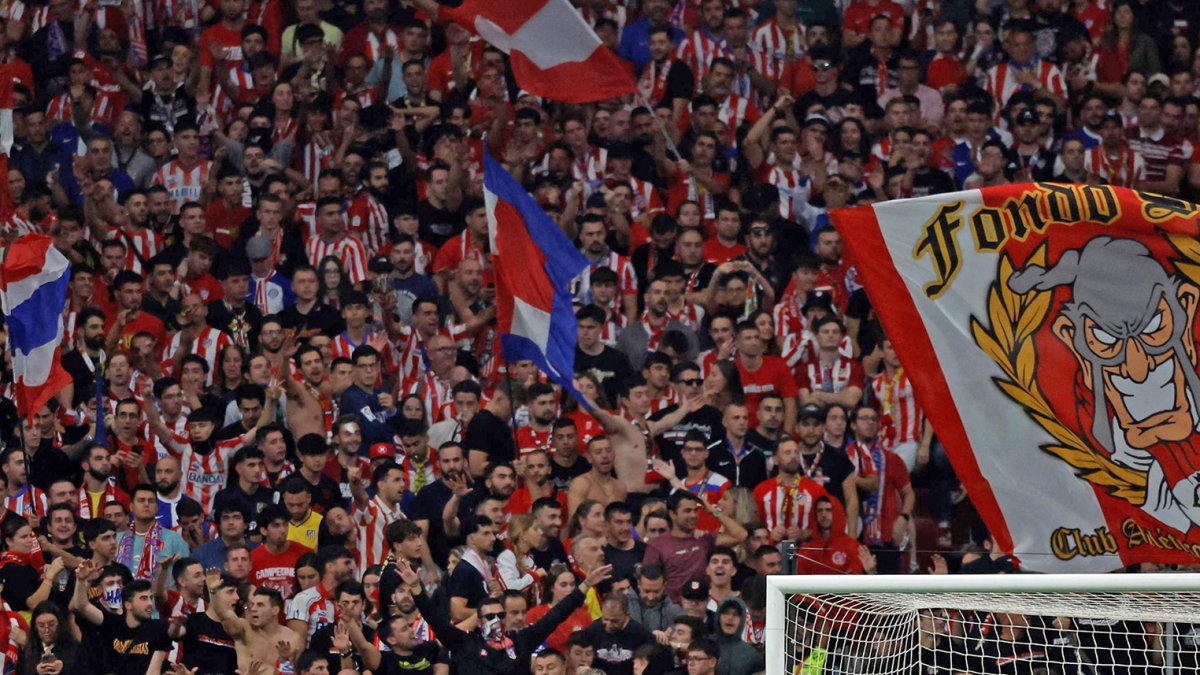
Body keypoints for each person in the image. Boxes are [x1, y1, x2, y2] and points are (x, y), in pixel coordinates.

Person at [400, 556, 614, 674]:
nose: (496, 621)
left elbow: (556, 615)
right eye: (489, 616)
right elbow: (435, 620)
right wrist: (416, 589)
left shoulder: (522, 641)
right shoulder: (464, 643)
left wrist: (585, 585)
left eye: (500, 615)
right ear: (479, 621)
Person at [69, 559, 171, 675]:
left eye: (119, 582)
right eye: (111, 583)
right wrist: (82, 581)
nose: (117, 587)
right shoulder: (110, 621)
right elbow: (80, 605)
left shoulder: (155, 626)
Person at [643, 492, 746, 602]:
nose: (694, 515)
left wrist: (712, 511)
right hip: (674, 609)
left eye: (695, 510)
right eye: (687, 511)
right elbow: (650, 580)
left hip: (704, 606)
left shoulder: (705, 538)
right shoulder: (657, 545)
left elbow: (741, 535)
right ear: (672, 514)